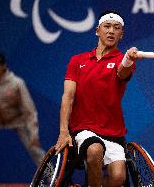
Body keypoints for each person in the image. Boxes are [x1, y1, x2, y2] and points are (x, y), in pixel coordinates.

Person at [55, 10, 141, 187]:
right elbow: (68, 97)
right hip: (83, 129)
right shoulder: (77, 61)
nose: (111, 31)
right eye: (107, 26)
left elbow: (123, 72)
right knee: (94, 151)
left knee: (118, 178)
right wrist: (64, 131)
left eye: (116, 28)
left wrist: (128, 60)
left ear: (121, 34)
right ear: (97, 30)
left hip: (113, 132)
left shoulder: (121, 61)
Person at [0, 51, 45, 166]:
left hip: (17, 119)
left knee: (35, 149)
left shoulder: (16, 83)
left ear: (3, 66)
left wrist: (33, 135)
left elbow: (29, 110)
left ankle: (53, 179)